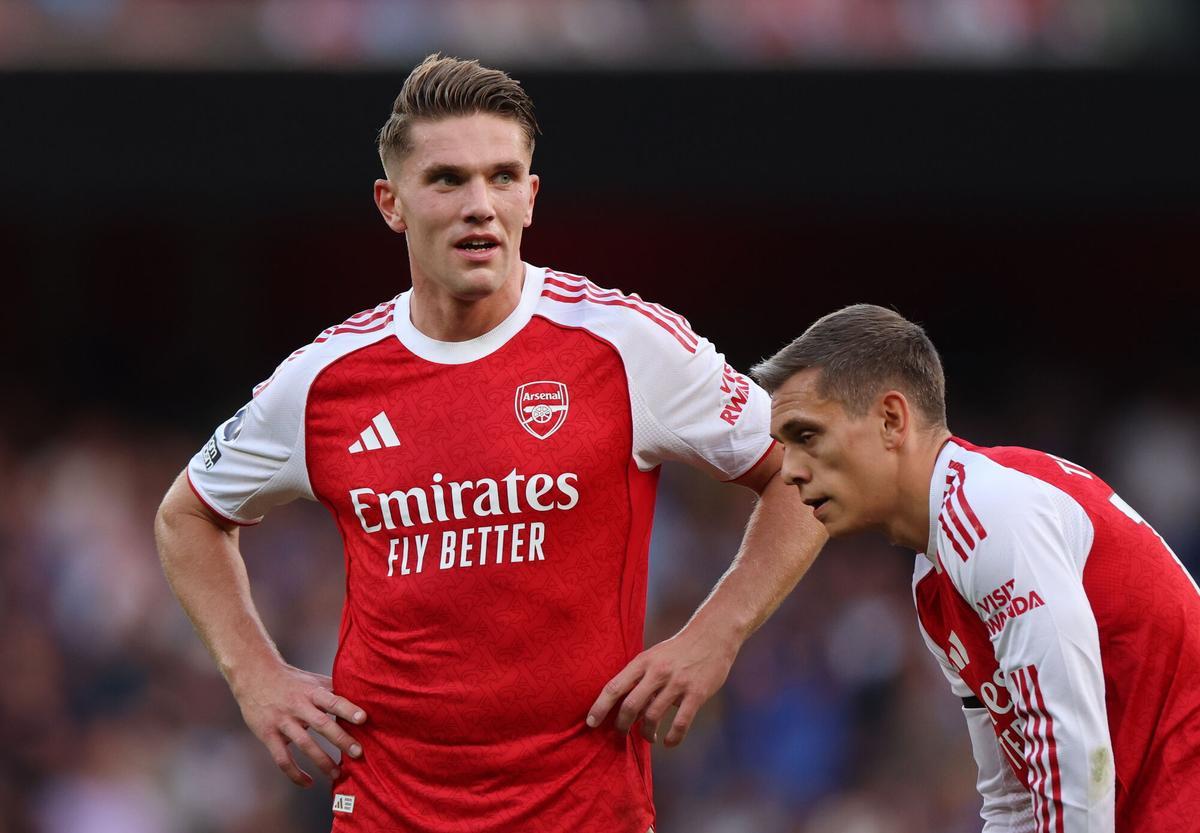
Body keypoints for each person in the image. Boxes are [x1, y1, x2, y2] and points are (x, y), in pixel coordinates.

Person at [154, 54, 825, 832]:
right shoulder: (324, 379)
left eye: (502, 177)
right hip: (386, 809)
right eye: (447, 180)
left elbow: (806, 470)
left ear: (530, 197)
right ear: (391, 204)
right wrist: (255, 675)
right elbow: (187, 516)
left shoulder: (623, 344)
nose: (480, 205)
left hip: (582, 811)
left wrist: (716, 635)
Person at [751, 304, 1200, 832]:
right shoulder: (935, 576)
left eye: (806, 437)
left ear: (892, 420)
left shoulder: (990, 514)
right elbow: (1013, 799)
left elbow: (1072, 755)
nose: (790, 472)